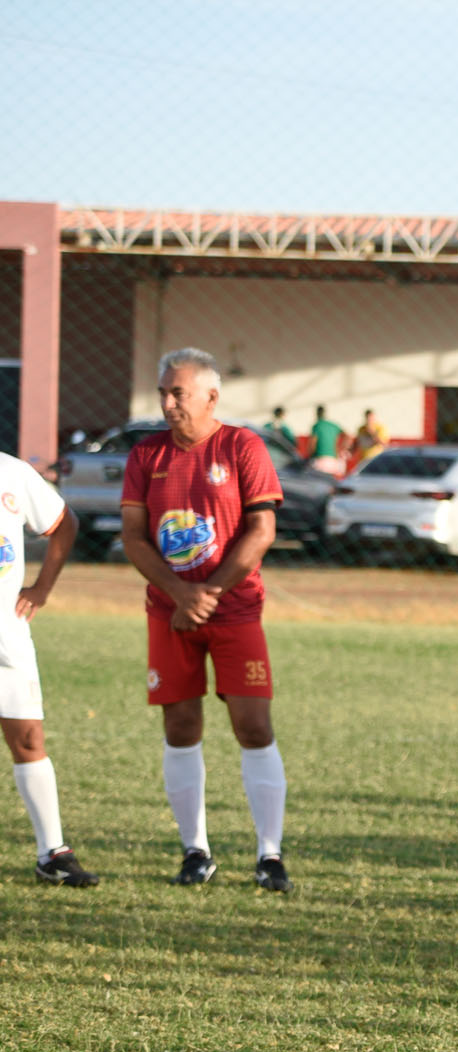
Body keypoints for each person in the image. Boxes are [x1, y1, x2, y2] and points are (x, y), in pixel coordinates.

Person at [118, 348, 291, 891]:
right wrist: (178, 594)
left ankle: (269, 856)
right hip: (170, 614)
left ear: (211, 397)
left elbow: (261, 531)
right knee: (180, 727)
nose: (168, 403)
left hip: (235, 610)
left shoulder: (242, 446)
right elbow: (134, 537)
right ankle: (196, 851)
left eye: (179, 393)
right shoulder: (146, 455)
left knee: (253, 726)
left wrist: (210, 592)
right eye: (163, 393)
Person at [0, 450, 98, 886]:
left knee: (28, 739)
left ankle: (52, 854)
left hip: (7, 635)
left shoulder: (11, 472)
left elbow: (63, 523)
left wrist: (42, 587)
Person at [308, 406, 346, 477]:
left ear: (317, 414)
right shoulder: (333, 425)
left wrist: (309, 457)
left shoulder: (317, 426)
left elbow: (312, 444)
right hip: (334, 461)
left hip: (320, 461)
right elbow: (347, 436)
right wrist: (341, 449)